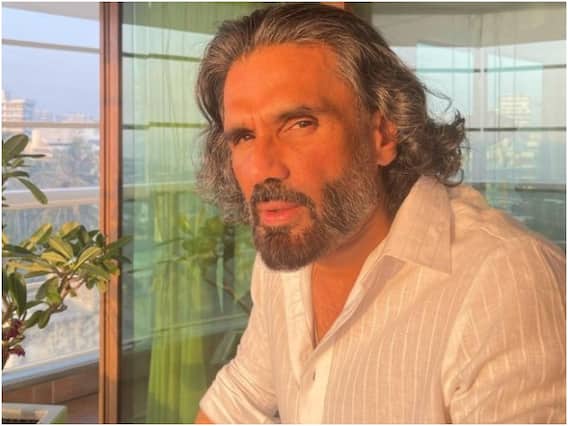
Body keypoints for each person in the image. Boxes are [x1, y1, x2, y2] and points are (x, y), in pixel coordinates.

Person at [193, 3, 566, 423]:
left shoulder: (505, 281)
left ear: (383, 134)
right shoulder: (289, 253)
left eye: (300, 124)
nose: (263, 167)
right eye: (244, 136)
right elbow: (239, 400)